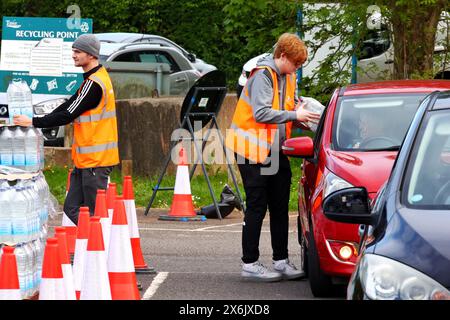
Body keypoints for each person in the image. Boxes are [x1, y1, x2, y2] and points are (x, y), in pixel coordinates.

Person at [226, 33, 321, 282]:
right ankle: (250, 263)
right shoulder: (262, 75)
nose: (297, 69)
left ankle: (281, 260)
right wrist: (294, 116)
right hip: (250, 150)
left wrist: (304, 112)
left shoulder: (288, 76)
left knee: (279, 205)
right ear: (282, 56)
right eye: (296, 64)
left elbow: (289, 107)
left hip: (274, 150)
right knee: (257, 204)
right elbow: (261, 113)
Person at [14, 34, 119, 225]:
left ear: (91, 55)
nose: (73, 55)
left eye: (78, 52)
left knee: (95, 213)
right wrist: (39, 119)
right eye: (73, 51)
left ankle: (101, 249)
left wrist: (33, 122)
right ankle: (93, 247)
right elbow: (68, 105)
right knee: (72, 208)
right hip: (87, 162)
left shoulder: (94, 84)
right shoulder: (92, 80)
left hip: (96, 161)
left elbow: (67, 114)